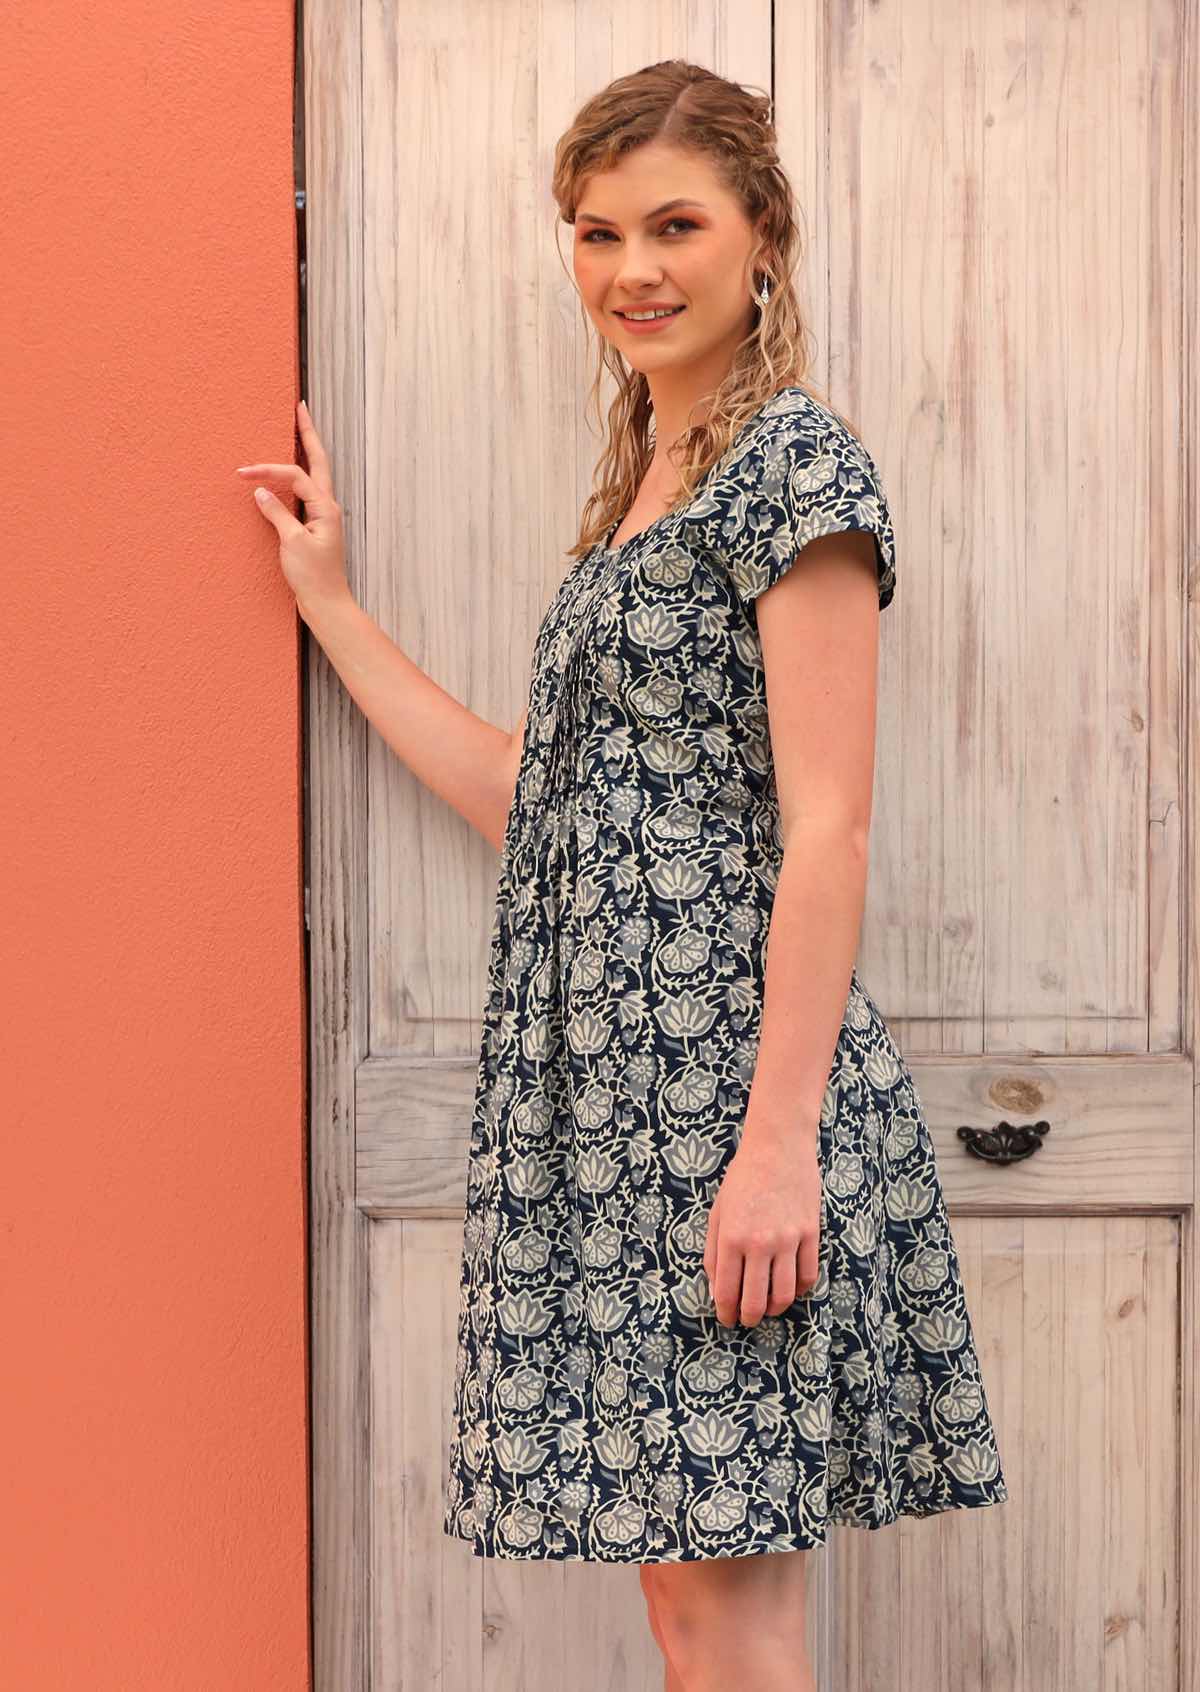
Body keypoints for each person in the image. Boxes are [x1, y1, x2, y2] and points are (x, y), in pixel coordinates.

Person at [237, 58, 1007, 1692]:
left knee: (730, 1611)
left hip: (724, 1095)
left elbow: (830, 830)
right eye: (596, 233)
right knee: (684, 1600)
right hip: (611, 1108)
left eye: (675, 224)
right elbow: (552, 805)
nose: (632, 268)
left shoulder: (791, 471)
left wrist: (776, 1149)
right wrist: (333, 608)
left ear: (763, 238)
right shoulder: (652, 478)